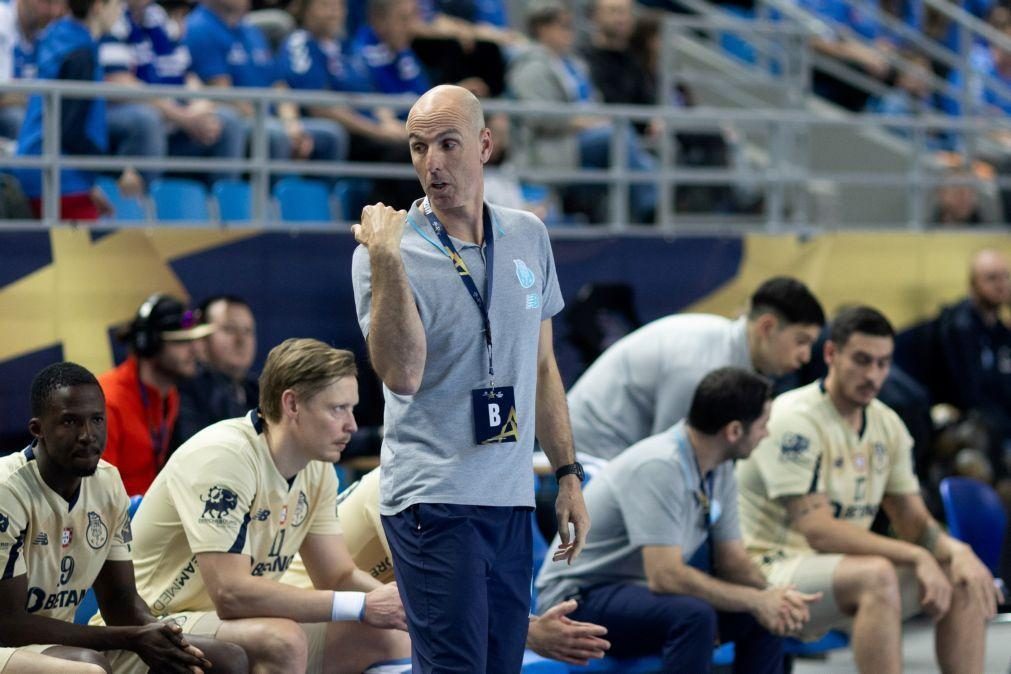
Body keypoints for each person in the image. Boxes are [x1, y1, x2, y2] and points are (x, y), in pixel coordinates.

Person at [350, 84, 590, 672]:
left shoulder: (529, 235)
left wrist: (566, 474)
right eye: (417, 147)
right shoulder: (384, 250)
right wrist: (386, 259)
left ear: (484, 146)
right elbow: (403, 374)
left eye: (448, 143)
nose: (432, 162)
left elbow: (541, 366)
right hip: (430, 496)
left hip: (506, 496)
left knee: (500, 663)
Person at [735, 306, 1002, 674]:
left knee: (961, 575)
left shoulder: (886, 423)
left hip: (838, 572)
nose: (873, 375)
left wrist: (957, 552)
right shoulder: (794, 419)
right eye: (861, 361)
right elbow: (819, 531)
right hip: (771, 570)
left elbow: (913, 522)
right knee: (876, 575)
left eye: (882, 363)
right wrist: (916, 557)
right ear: (830, 354)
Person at [125, 338, 411, 673]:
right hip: (151, 630)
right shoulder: (224, 458)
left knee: (388, 635)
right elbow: (230, 594)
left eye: (351, 408)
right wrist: (362, 605)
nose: (352, 425)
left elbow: (337, 574)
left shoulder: (316, 468)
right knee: (281, 639)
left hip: (231, 623)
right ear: (292, 404)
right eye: (337, 409)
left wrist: (398, 609)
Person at [536, 367, 819, 673]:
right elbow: (665, 576)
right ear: (734, 431)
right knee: (695, 616)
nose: (766, 434)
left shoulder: (719, 466)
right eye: (763, 425)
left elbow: (733, 560)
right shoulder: (659, 465)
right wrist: (756, 599)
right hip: (578, 599)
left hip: (639, 594)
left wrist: (772, 595)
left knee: (765, 615)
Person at [0, 362, 247, 674]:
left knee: (223, 659)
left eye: (97, 420)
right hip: (8, 645)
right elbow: (9, 625)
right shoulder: (6, 490)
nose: (87, 435)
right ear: (38, 429)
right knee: (87, 668)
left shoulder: (107, 483)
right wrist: (132, 637)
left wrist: (160, 635)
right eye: (70, 422)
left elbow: (120, 601)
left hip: (58, 644)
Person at [283, 467, 612, 666]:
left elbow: (476, 597)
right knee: (420, 639)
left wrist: (527, 627)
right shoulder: (401, 485)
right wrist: (528, 634)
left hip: (355, 618)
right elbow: (436, 604)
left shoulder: (475, 494)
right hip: (301, 620)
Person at [567, 276, 825, 461]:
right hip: (587, 452)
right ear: (767, 328)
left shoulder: (726, 354)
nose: (804, 357)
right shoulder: (700, 365)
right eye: (801, 341)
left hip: (616, 448)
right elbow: (665, 462)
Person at [505, 0, 657, 224]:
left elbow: (596, 100)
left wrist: (596, 118)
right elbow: (539, 116)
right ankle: (651, 208)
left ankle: (650, 209)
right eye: (563, 26)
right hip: (554, 145)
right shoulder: (530, 65)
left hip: (584, 138)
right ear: (542, 28)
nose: (570, 32)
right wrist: (582, 122)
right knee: (618, 136)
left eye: (570, 26)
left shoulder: (575, 64)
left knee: (644, 158)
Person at [98, 0, 247, 185]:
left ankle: (222, 209)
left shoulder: (158, 16)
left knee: (227, 121)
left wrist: (200, 105)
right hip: (124, 112)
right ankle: (142, 206)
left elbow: (187, 74)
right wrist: (182, 116)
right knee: (147, 120)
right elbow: (118, 81)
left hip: (172, 112)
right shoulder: (112, 15)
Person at [184, 0, 348, 168]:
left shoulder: (250, 30)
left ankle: (323, 194)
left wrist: (291, 123)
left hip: (270, 119)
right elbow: (223, 93)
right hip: (239, 117)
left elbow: (278, 85)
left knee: (331, 135)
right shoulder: (200, 26)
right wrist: (275, 124)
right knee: (276, 136)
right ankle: (269, 193)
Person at [12, 0, 134, 220]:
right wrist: (119, 172)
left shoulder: (59, 36)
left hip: (41, 170)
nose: (120, 11)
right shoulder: (81, 53)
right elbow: (70, 132)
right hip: (59, 178)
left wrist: (88, 184)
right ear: (98, 6)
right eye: (116, 4)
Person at [98, 294, 214, 495]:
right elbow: (94, 491)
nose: (194, 350)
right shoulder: (108, 401)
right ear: (149, 345)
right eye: (182, 342)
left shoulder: (169, 395)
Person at [172, 294, 259, 448]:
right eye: (230, 329)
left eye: (248, 330)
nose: (241, 340)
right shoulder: (185, 391)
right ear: (201, 339)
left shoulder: (261, 391)